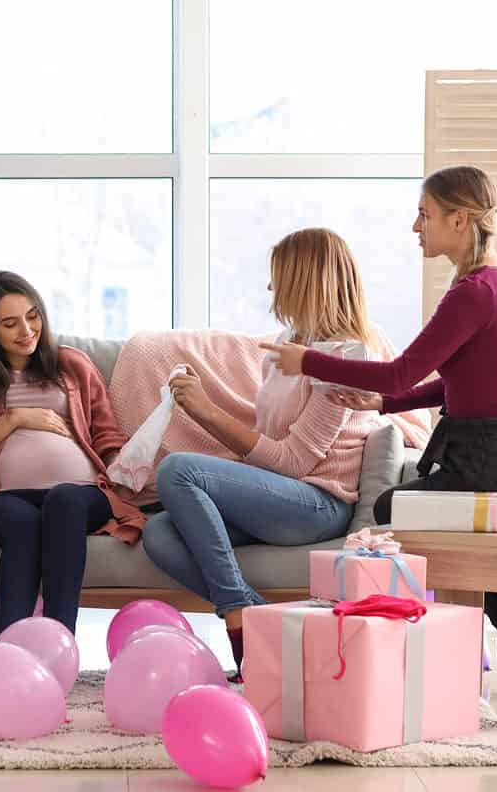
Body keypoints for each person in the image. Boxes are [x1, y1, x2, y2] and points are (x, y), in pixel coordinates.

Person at [262, 165, 497, 674]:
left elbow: (400, 373)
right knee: (404, 502)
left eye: (425, 215)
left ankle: (456, 632)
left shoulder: (474, 292)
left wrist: (305, 361)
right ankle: (489, 607)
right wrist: (381, 407)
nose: (416, 228)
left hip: (493, 468)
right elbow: (469, 384)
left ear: (459, 221)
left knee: (388, 509)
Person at [143, 227, 382, 681]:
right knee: (159, 533)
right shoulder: (289, 346)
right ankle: (269, 625)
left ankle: (236, 615)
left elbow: (293, 463)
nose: (271, 289)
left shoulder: (345, 358)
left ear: (303, 280)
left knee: (178, 471)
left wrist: (206, 412)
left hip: (317, 503)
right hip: (283, 497)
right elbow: (270, 429)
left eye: (278, 277)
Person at [0, 270, 144, 636]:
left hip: (79, 493)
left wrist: (122, 468)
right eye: (10, 323)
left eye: (33, 316)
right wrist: (14, 419)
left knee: (63, 501)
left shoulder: (72, 364)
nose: (26, 330)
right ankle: (11, 652)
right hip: (5, 497)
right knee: (22, 526)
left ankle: (58, 642)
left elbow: (107, 433)